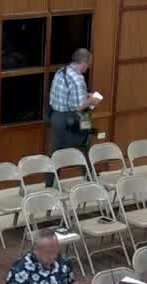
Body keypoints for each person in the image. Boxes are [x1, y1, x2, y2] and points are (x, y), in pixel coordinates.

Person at [47, 48, 102, 187]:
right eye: (89, 64)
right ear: (83, 63)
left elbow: (68, 94)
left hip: (56, 117)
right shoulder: (78, 78)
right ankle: (91, 179)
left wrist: (85, 94)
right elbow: (78, 106)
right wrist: (92, 100)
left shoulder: (61, 71)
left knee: (55, 151)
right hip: (72, 119)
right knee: (84, 144)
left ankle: (49, 184)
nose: (88, 67)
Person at [0, 229, 92, 284]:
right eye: (49, 253)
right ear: (35, 251)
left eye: (55, 251)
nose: (53, 256)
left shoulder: (62, 260)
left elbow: (70, 283)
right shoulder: (22, 268)